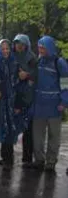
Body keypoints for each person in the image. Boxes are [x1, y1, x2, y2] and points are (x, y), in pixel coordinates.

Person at [0, 40, 27, 171]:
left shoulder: (15, 64)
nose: (5, 51)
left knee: (9, 129)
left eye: (7, 49)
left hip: (11, 102)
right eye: (3, 49)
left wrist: (18, 104)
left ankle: (7, 157)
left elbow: (20, 85)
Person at [32, 36, 68, 172]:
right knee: (37, 136)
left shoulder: (59, 63)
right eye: (39, 46)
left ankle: (51, 162)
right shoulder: (38, 61)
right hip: (39, 105)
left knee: (54, 135)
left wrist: (64, 101)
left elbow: (65, 83)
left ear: (49, 47)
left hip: (54, 105)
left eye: (43, 47)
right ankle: (39, 160)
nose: (40, 49)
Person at [12, 34, 37, 168]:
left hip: (28, 98)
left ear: (26, 45)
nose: (19, 46)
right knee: (10, 128)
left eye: (21, 44)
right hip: (13, 98)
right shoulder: (11, 57)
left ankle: (27, 158)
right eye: (17, 43)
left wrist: (27, 75)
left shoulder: (32, 59)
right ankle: (7, 157)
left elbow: (38, 76)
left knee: (28, 130)